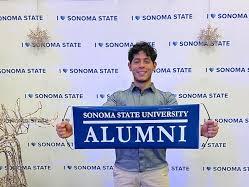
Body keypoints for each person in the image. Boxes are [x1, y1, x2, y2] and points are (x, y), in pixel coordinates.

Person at [56, 41, 219, 187]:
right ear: (130, 66)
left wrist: (200, 131)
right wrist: (74, 130)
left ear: (154, 65)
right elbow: (99, 122)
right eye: (137, 61)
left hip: (157, 171)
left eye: (146, 61)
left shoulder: (167, 99)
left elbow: (178, 127)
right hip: (124, 172)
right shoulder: (117, 98)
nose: (142, 65)